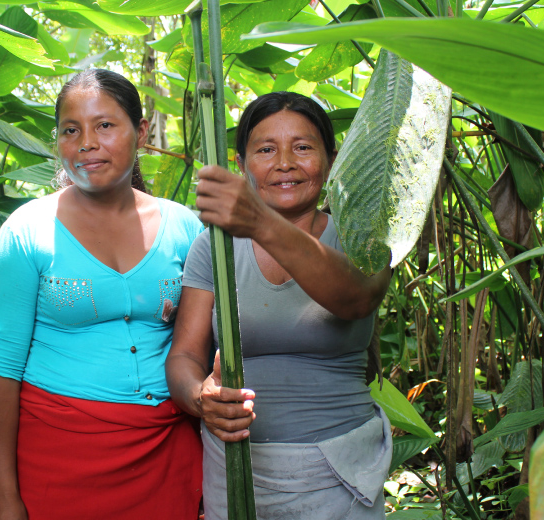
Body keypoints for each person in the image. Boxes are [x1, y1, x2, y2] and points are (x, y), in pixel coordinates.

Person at [0, 69, 204, 520]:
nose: (86, 143)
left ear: (140, 132)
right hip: (59, 452)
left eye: (104, 125)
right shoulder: (26, 232)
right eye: (70, 130)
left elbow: (201, 346)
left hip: (166, 449)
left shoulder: (185, 227)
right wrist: (4, 492)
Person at [166, 91, 393, 519]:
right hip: (235, 467)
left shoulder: (362, 235)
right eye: (266, 150)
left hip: (338, 469)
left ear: (331, 158)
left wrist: (259, 222)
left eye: (303, 148)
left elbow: (357, 297)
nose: (284, 163)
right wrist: (201, 398)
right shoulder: (213, 247)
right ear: (241, 164)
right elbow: (184, 355)